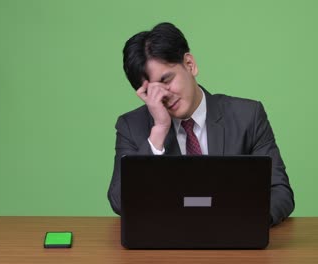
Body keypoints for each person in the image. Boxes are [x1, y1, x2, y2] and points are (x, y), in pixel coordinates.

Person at [107, 22, 294, 226]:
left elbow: (280, 191)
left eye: (167, 80)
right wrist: (158, 132)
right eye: (151, 91)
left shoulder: (248, 116)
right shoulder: (131, 126)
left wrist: (244, 222)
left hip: (236, 243)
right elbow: (119, 201)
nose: (164, 96)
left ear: (189, 64)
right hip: (167, 247)